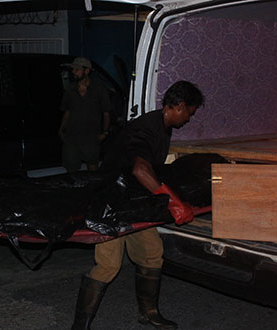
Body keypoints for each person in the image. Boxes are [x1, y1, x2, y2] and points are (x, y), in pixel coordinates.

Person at [71, 80, 204, 330]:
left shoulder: (163, 126)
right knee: (109, 265)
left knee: (152, 253)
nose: (189, 119)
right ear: (179, 106)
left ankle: (149, 313)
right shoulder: (146, 127)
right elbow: (140, 168)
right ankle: (80, 325)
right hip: (109, 203)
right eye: (189, 113)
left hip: (134, 201)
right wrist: (174, 203)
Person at [58, 57, 111, 172]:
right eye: (73, 69)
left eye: (77, 69)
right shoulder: (70, 89)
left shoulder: (98, 89)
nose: (73, 72)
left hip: (91, 137)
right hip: (72, 137)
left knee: (92, 168)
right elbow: (67, 111)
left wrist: (104, 133)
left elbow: (106, 112)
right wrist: (61, 130)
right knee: (71, 170)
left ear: (86, 71)